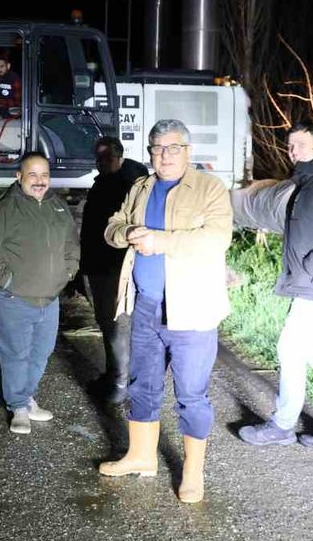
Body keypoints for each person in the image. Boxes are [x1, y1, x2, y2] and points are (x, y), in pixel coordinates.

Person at [97, 119, 233, 504]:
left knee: (191, 394)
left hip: (193, 309)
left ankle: (193, 472)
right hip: (146, 305)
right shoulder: (141, 187)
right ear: (150, 152)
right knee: (142, 384)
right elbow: (113, 225)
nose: (165, 155)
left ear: (188, 152)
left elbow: (217, 237)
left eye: (173, 148)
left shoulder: (209, 188)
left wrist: (159, 241)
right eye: (157, 148)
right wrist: (126, 234)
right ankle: (141, 456)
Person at [238, 121, 313, 455]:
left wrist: (307, 268)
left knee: (290, 348)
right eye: (290, 145)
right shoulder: (312, 181)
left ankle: (283, 425)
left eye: (301, 144)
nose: (293, 151)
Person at [0, 152, 80, 434]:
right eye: (32, 174)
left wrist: (68, 272)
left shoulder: (58, 206)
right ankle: (18, 407)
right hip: (14, 298)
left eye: (44, 175)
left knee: (42, 352)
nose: (39, 181)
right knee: (15, 355)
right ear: (18, 176)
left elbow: (71, 243)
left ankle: (27, 397)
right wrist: (7, 281)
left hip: (49, 297)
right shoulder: (2, 209)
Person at [80, 136, 148, 405]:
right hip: (98, 264)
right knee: (107, 323)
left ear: (119, 156)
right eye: (98, 158)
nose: (102, 162)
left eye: (107, 157)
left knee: (117, 325)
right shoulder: (104, 182)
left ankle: (120, 385)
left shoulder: (128, 185)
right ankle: (113, 377)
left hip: (115, 268)